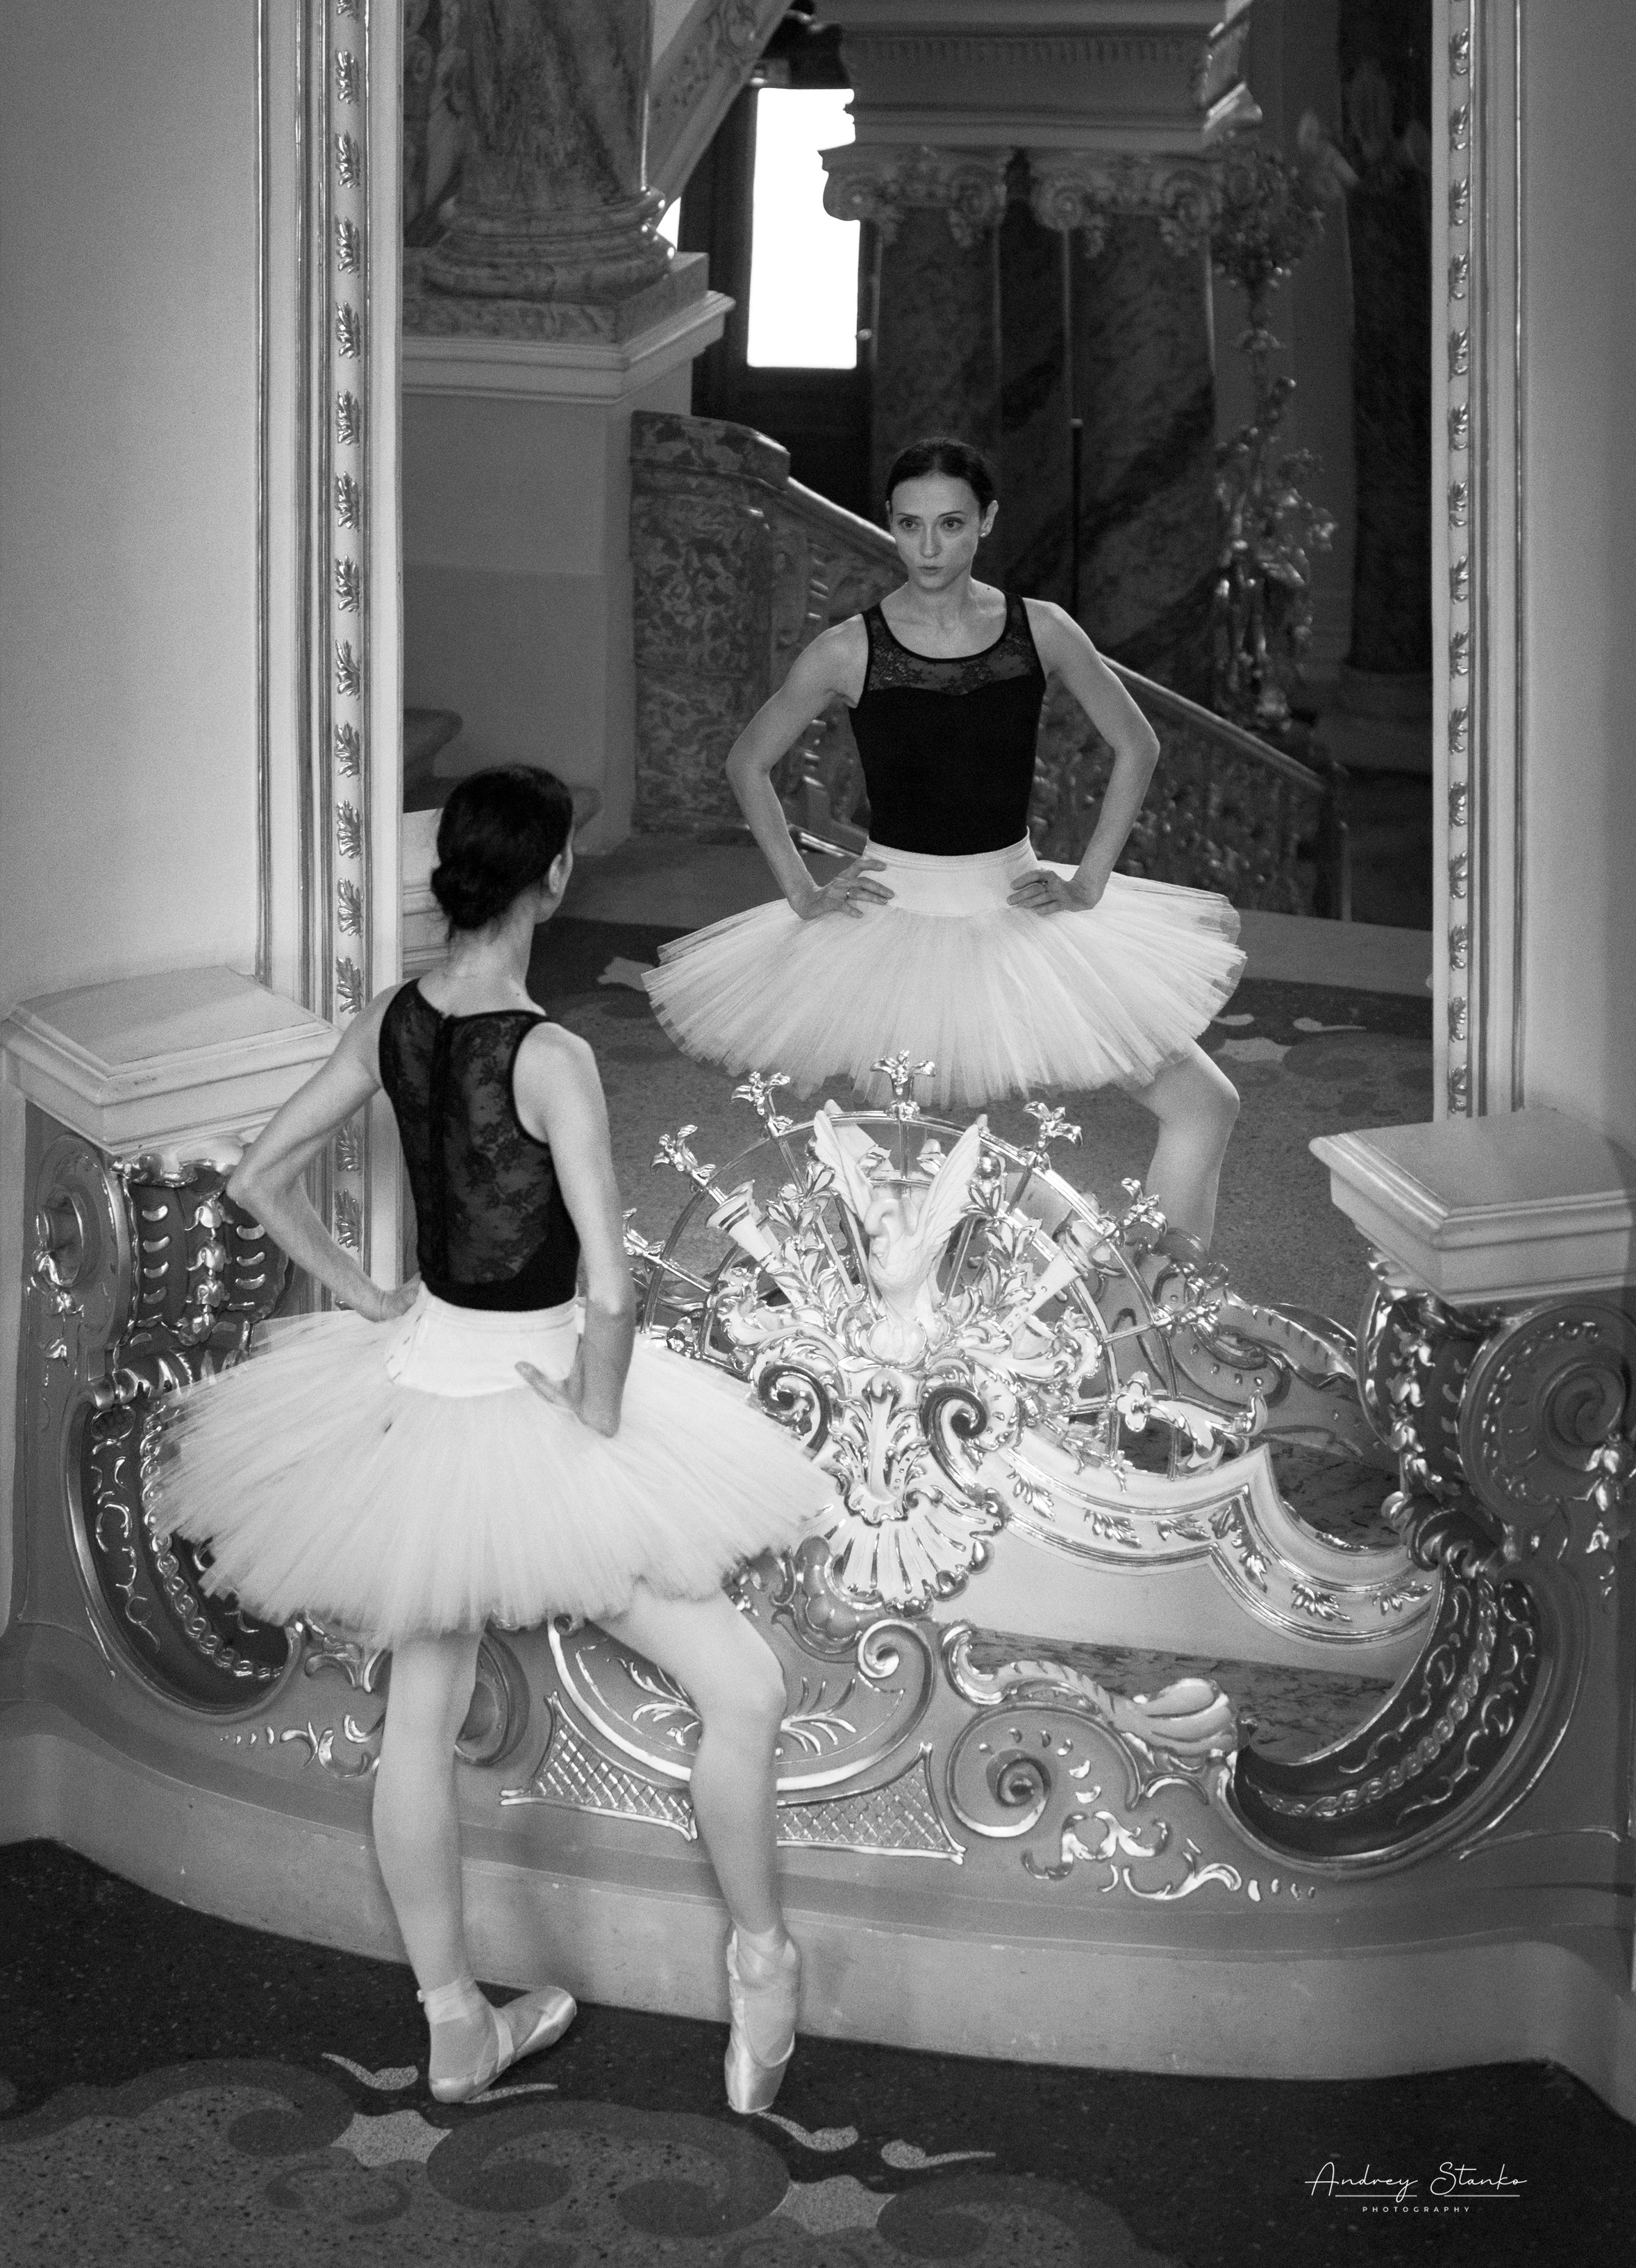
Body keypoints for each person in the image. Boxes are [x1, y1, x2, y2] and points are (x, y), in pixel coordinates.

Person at [152, 765, 827, 2113]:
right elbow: (613, 1288)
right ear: (555, 878)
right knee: (744, 1689)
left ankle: (455, 2021)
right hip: (533, 1391)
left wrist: (361, 1294)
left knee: (419, 1719)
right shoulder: (554, 1055)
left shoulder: (394, 1019)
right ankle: (763, 1967)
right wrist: (594, 1417)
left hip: (420, 1381)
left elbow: (256, 1177)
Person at [644, 438, 1245, 1251]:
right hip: (895, 927)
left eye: (951, 524)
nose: (927, 547)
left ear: (985, 521)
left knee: (1206, 1104)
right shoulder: (846, 648)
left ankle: (1163, 1298)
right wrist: (802, 892)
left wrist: (1090, 882)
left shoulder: (1042, 629)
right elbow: (746, 762)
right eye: (909, 524)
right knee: (908, 1165)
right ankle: (905, 1308)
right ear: (890, 524)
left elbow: (1137, 744)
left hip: (1020, 905)